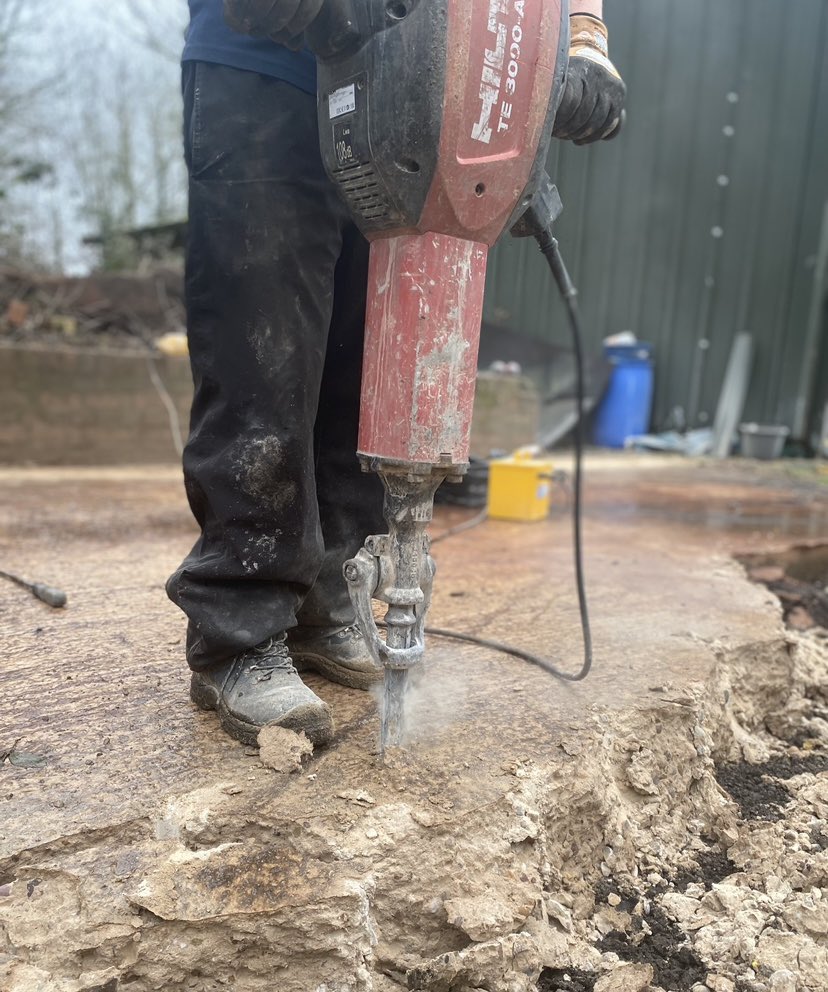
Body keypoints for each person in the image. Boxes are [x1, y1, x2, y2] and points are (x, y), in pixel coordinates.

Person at [167, 0, 626, 749]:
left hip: (407, 78)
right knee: (264, 355)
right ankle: (239, 628)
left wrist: (583, 36)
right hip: (269, 66)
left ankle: (329, 594)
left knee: (364, 350)